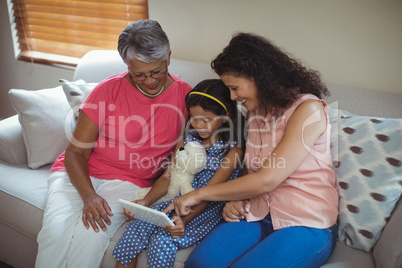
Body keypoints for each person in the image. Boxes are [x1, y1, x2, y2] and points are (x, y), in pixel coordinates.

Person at [167, 33, 339, 268]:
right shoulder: (256, 113)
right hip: (258, 211)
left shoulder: (307, 110)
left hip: (308, 221)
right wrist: (236, 199)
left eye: (234, 88)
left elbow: (266, 179)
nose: (233, 97)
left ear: (259, 76)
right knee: (200, 263)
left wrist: (198, 194)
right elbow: (251, 169)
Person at [35, 19, 192, 268]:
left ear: (169, 57)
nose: (150, 80)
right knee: (54, 233)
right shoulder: (108, 90)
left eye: (157, 71)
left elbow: (184, 154)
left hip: (130, 182)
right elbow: (75, 152)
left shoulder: (185, 96)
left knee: (92, 235)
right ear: (127, 65)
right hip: (78, 173)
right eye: (138, 74)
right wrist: (89, 196)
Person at [113, 79, 246, 268]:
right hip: (177, 201)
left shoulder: (232, 151)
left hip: (205, 209)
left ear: (225, 116)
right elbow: (169, 176)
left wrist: (183, 220)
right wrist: (146, 202)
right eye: (193, 117)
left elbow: (209, 194)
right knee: (135, 229)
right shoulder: (187, 140)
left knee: (162, 241)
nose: (198, 124)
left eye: (206, 120)